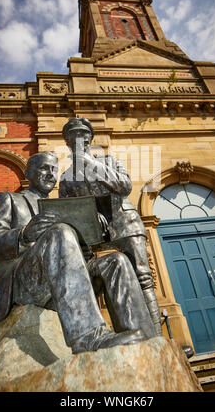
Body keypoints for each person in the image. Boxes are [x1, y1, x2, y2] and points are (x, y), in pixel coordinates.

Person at [0, 151, 156, 354]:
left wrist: (91, 229)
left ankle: (147, 340)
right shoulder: (9, 200)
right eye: (44, 168)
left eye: (54, 169)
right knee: (59, 232)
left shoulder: (64, 206)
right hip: (22, 281)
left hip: (61, 283)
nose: (50, 174)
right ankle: (87, 336)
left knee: (116, 261)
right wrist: (24, 234)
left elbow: (75, 256)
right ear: (28, 173)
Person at [59, 118, 162, 336]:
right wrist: (89, 216)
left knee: (143, 279)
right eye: (73, 136)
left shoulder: (109, 161)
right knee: (100, 283)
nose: (78, 139)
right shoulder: (66, 179)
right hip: (95, 235)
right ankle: (120, 335)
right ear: (67, 142)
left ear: (89, 139)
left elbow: (123, 186)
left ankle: (157, 339)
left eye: (82, 135)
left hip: (125, 224)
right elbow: (68, 212)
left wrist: (88, 163)